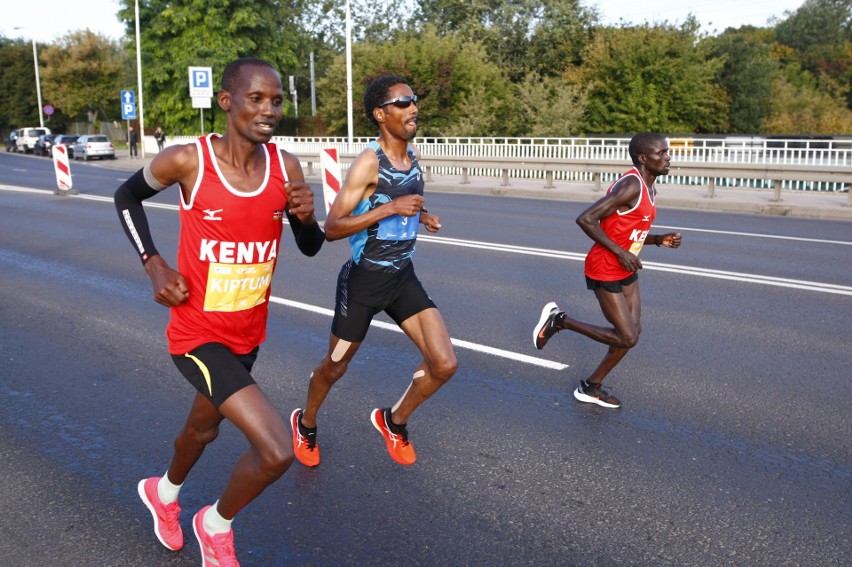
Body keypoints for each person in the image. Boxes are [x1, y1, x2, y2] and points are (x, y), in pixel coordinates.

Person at [114, 57, 324, 566]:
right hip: (197, 332)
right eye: (256, 98)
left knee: (203, 430)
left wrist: (305, 216)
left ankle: (162, 493)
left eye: (276, 100)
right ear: (227, 101)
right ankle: (215, 525)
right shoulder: (190, 160)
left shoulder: (286, 166)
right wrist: (154, 264)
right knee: (276, 450)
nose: (269, 109)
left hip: (247, 333)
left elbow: (312, 246)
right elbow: (126, 196)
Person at [290, 75, 457, 467]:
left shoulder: (412, 156)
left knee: (445, 364)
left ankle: (393, 421)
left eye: (414, 99)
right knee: (334, 367)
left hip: (401, 279)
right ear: (380, 114)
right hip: (363, 284)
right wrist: (389, 210)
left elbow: (406, 201)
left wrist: (424, 216)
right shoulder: (369, 162)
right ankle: (306, 423)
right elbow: (332, 228)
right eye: (403, 102)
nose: (413, 107)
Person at [533, 132, 682, 409]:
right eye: (661, 153)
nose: (667, 157)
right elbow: (586, 219)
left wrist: (657, 239)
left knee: (632, 333)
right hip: (605, 268)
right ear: (643, 158)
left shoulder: (649, 187)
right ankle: (560, 320)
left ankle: (590, 387)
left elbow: (629, 232)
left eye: (666, 151)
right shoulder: (631, 187)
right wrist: (620, 252)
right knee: (627, 337)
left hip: (625, 267)